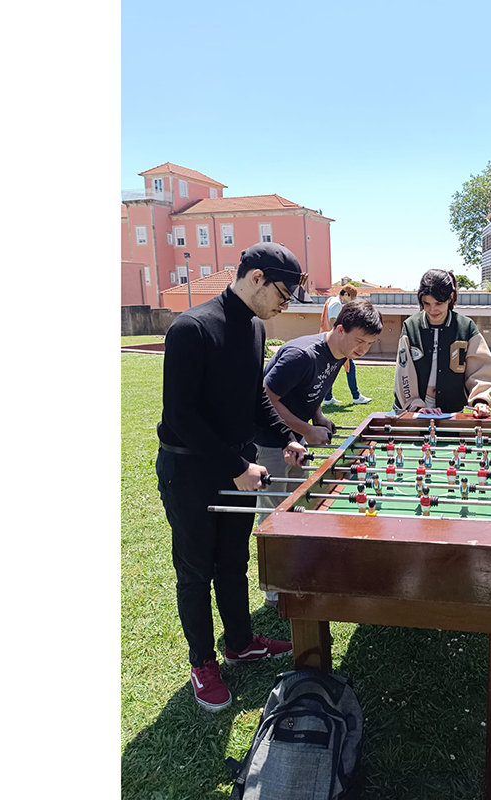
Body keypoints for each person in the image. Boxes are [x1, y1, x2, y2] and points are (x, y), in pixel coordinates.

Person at [155, 242, 308, 712]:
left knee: (233, 560)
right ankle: (202, 662)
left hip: (240, 465)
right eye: (283, 294)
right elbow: (181, 415)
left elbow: (254, 396)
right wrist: (236, 467)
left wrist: (285, 436)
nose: (285, 306)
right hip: (190, 469)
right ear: (257, 277)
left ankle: (240, 641)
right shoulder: (191, 328)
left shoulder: (256, 327)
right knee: (195, 570)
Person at [255, 299, 384, 606]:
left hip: (295, 438)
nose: (363, 349)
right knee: (273, 510)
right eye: (359, 341)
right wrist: (305, 430)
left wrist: (318, 417)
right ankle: (275, 586)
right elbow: (265, 398)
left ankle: (297, 570)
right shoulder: (301, 355)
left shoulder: (340, 353)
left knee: (299, 501)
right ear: (339, 329)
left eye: (369, 343)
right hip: (267, 438)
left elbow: (312, 390)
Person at [393, 269, 491, 417]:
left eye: (438, 303)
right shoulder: (410, 326)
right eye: (426, 303)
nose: (432, 309)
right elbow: (403, 372)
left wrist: (480, 400)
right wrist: (415, 405)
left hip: (452, 411)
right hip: (415, 410)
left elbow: (480, 368)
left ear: (451, 297)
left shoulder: (466, 327)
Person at [321, 283, 372, 405]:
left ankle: (328, 397)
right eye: (352, 298)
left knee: (331, 369)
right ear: (347, 294)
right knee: (350, 367)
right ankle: (356, 396)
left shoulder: (331, 300)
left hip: (330, 342)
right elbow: (334, 322)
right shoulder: (336, 304)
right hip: (337, 344)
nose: (351, 301)